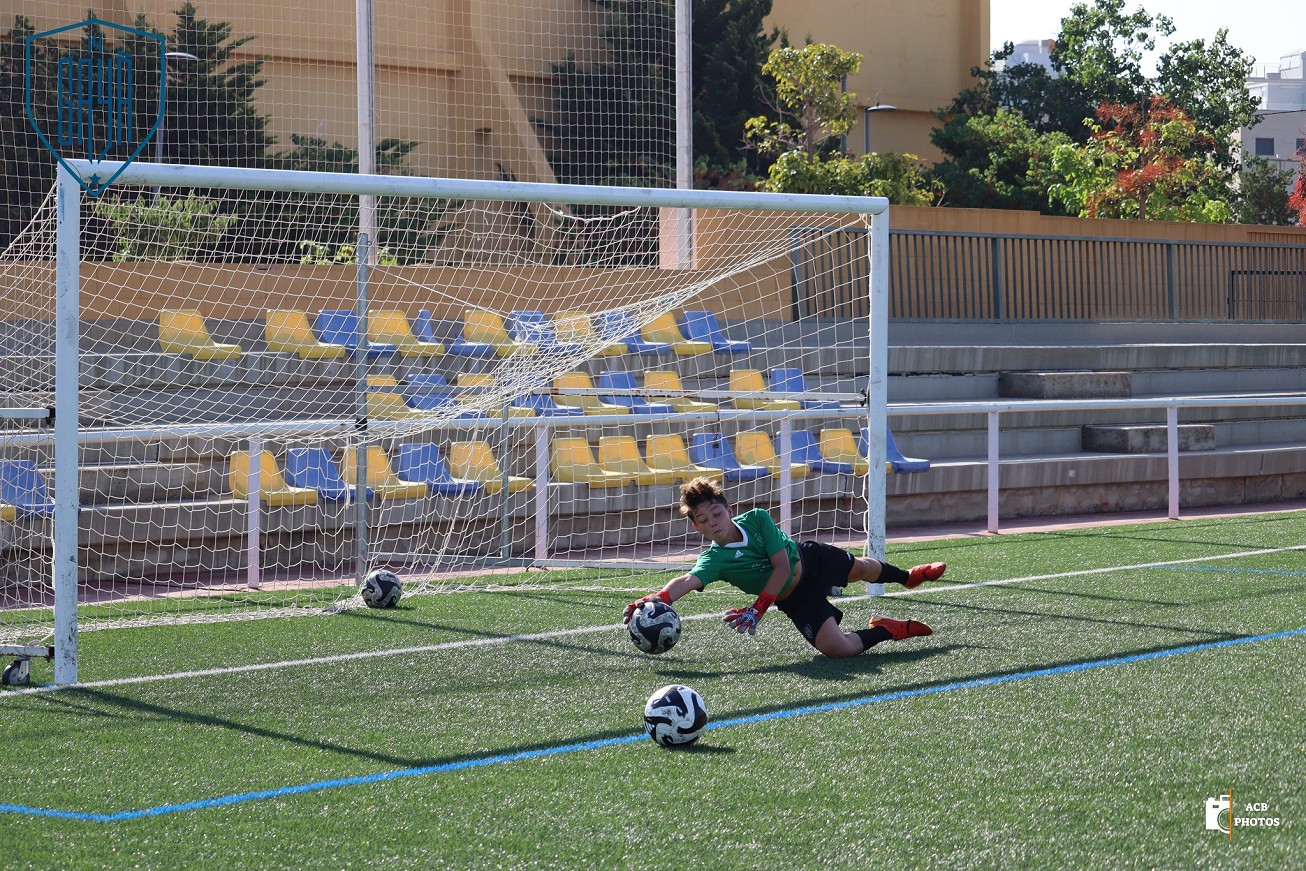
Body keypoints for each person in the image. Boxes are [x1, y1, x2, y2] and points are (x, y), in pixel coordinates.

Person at [622, 477, 946, 658]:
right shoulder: (715, 560)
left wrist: (758, 608)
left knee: (861, 568)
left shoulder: (758, 519)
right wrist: (659, 599)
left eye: (716, 514)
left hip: (810, 561)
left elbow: (781, 567)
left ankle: (907, 577)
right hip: (795, 599)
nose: (713, 523)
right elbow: (689, 579)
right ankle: (887, 629)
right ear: (696, 527)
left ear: (729, 510)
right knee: (838, 650)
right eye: (704, 520)